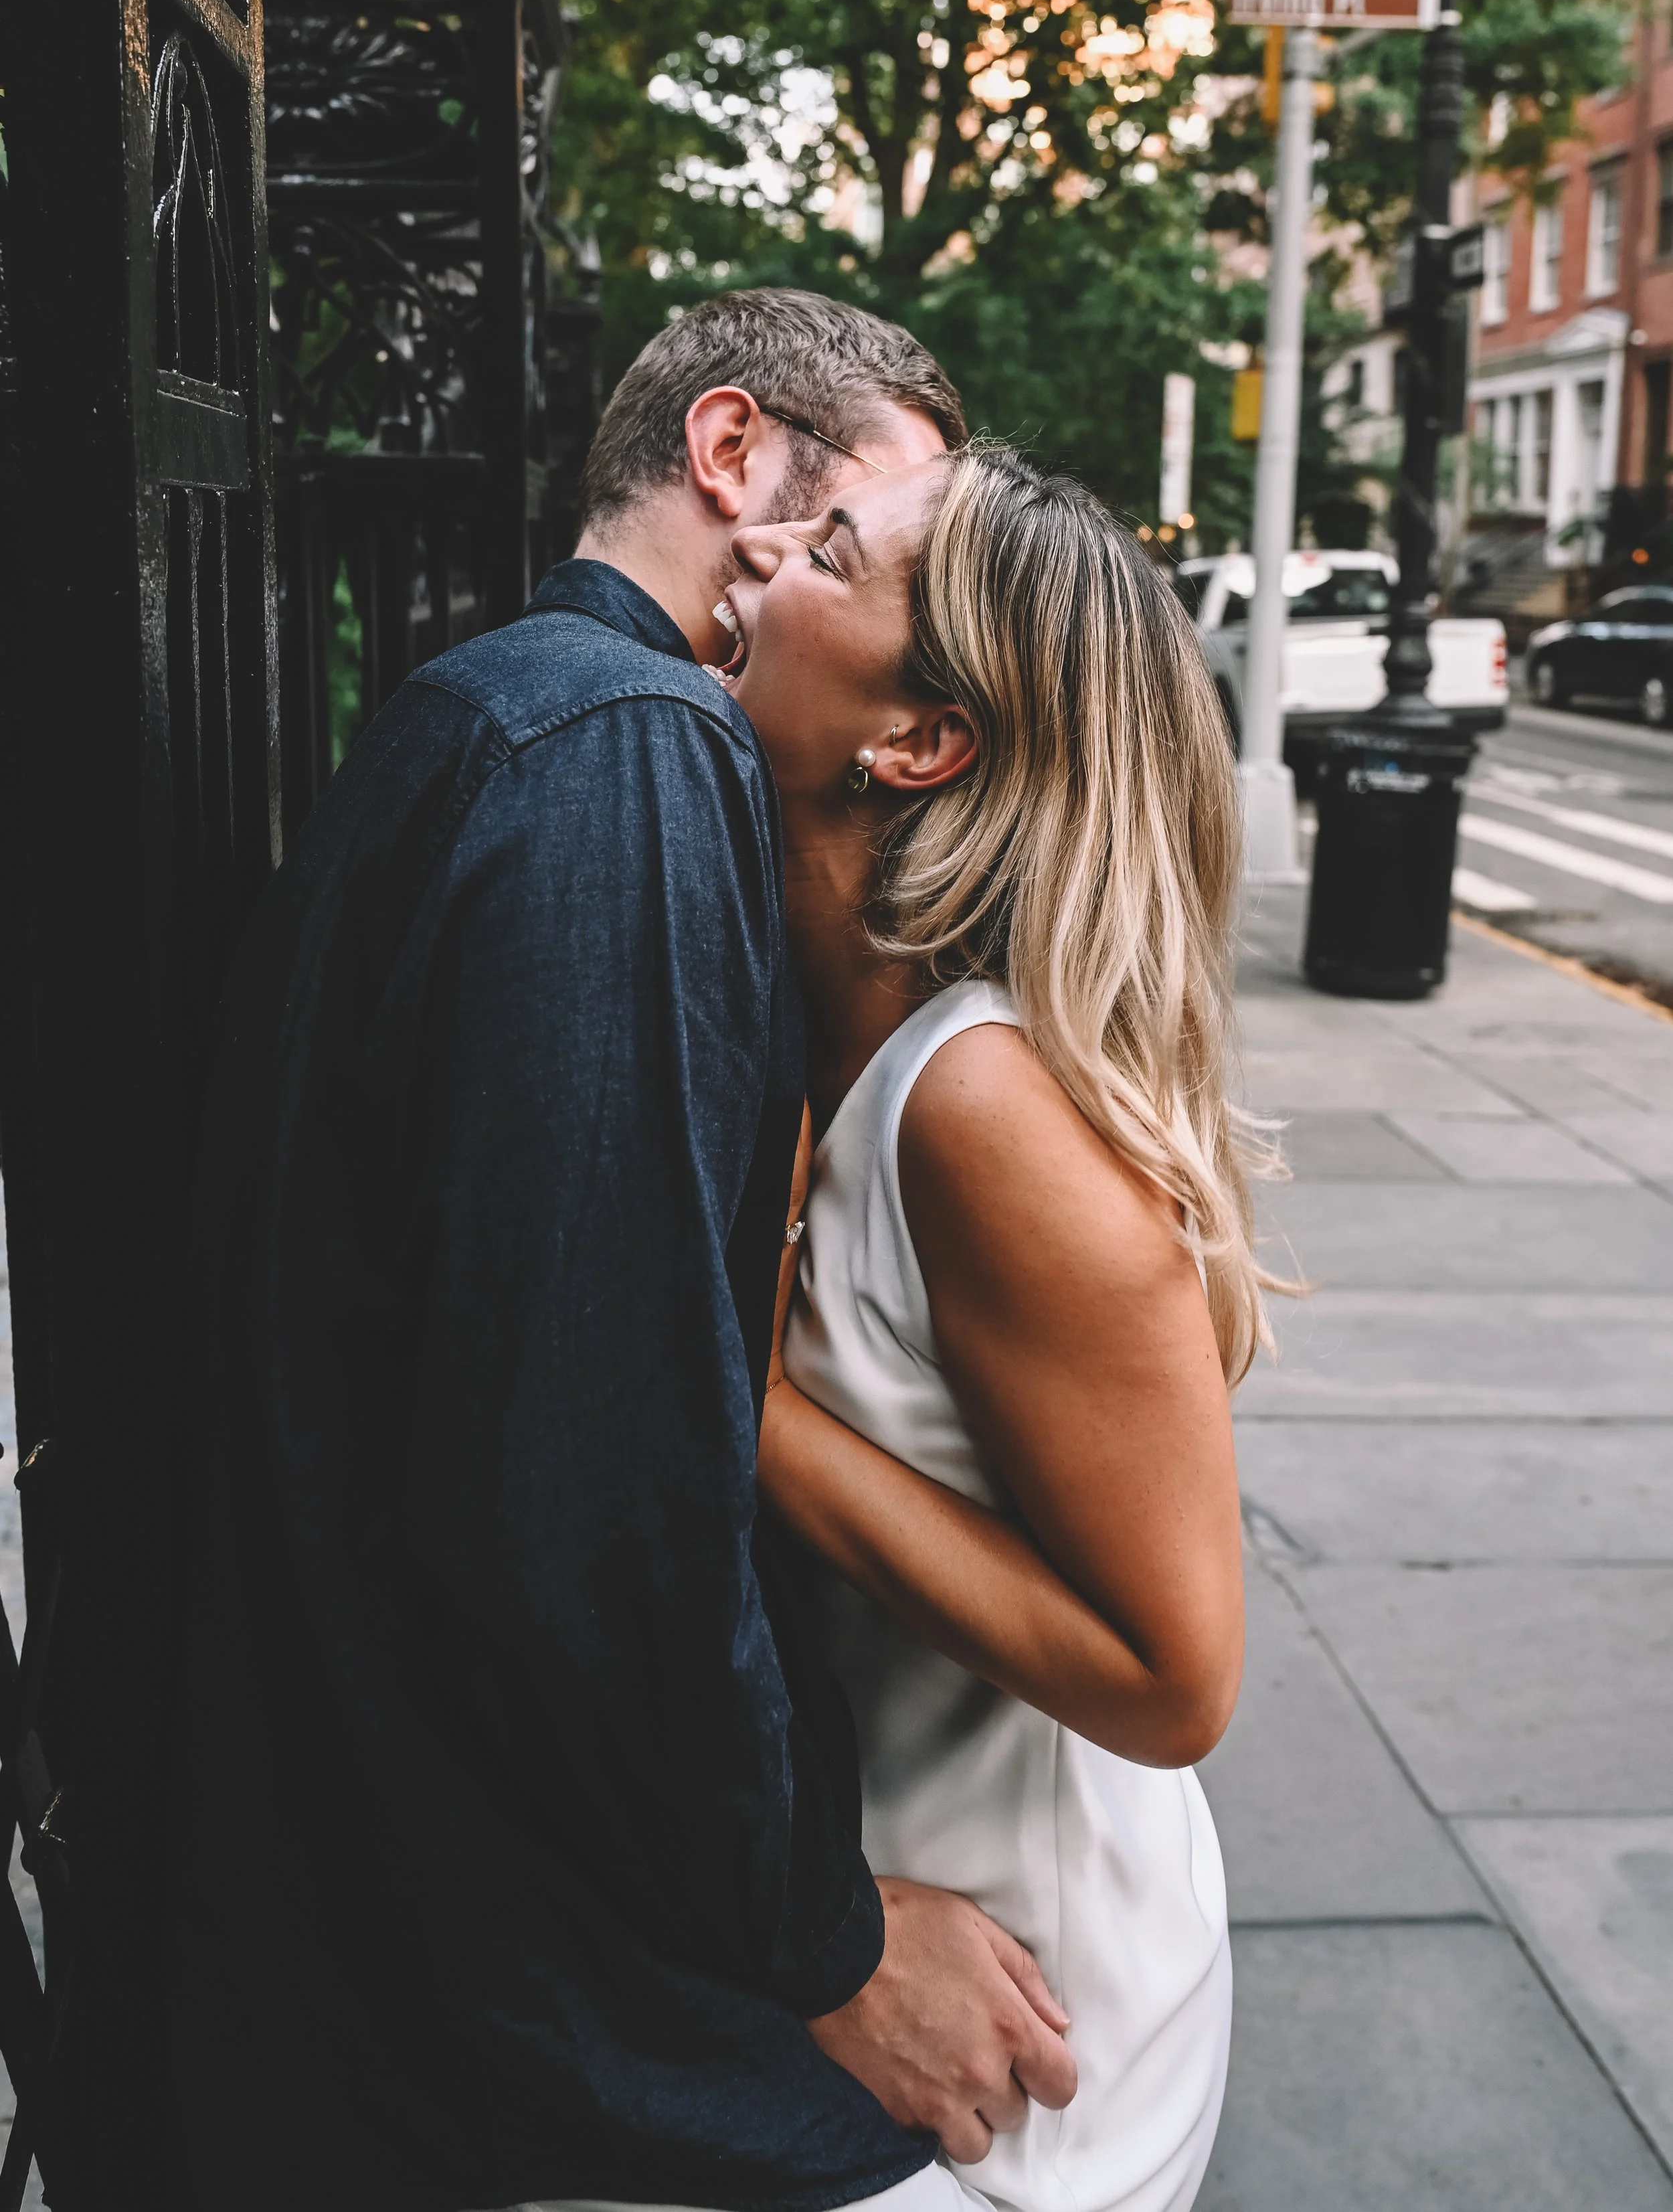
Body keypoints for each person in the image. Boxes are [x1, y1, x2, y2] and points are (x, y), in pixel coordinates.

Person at [165, 292, 1080, 2212]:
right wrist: (821, 1942)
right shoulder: (621, 746)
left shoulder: (506, 713)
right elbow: (586, 1479)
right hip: (488, 1971)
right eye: (866, 528)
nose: (867, 578)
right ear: (732, 456)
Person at [713, 446, 1269, 2212]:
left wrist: (744, 1416)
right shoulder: (827, 1032)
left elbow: (1179, 1675)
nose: (750, 545)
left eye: (821, 546)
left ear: (918, 738)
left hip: (1020, 2051)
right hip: (864, 1936)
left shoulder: (982, 1110)